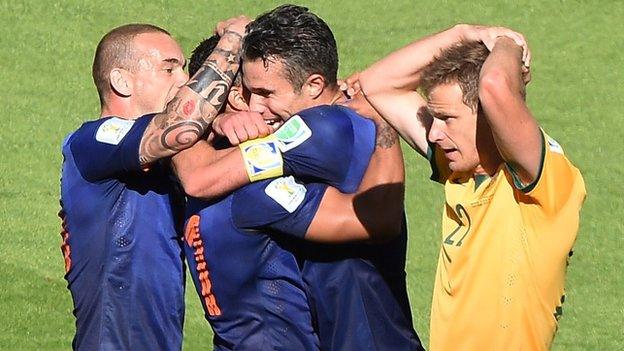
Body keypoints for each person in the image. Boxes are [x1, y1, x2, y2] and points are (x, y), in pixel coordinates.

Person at [174, 5, 424, 350]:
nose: (257, 107)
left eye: (265, 93)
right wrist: (217, 121)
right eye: (247, 94)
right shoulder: (333, 118)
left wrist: (387, 126)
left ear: (314, 85)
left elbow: (199, 177)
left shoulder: (318, 128)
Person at [358, 25, 586, 350]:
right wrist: (466, 32)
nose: (434, 133)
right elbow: (378, 85)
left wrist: (507, 42)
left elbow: (495, 86)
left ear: (489, 117)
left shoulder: (541, 184)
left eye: (447, 118)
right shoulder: (460, 171)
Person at [58, 17, 249, 350]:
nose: (184, 79)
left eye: (184, 69)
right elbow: (183, 123)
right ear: (122, 81)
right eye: (169, 69)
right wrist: (233, 38)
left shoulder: (165, 159)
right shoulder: (93, 141)